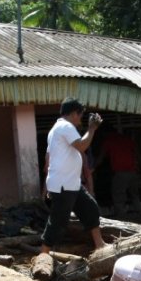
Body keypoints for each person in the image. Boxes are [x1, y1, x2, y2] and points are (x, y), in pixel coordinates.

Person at [41, 98, 106, 254]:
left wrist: (49, 182)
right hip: (64, 185)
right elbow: (82, 146)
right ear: (74, 114)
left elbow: (47, 159)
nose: (80, 120)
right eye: (80, 115)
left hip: (70, 184)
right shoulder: (65, 126)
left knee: (90, 208)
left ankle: (100, 244)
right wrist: (92, 129)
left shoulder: (55, 129)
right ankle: (43, 254)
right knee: (58, 221)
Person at [96, 126, 141, 218]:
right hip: (133, 172)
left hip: (120, 173)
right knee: (135, 195)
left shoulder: (108, 141)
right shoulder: (127, 139)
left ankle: (121, 218)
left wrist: (92, 168)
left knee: (119, 197)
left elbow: (101, 158)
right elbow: (137, 154)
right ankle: (140, 215)